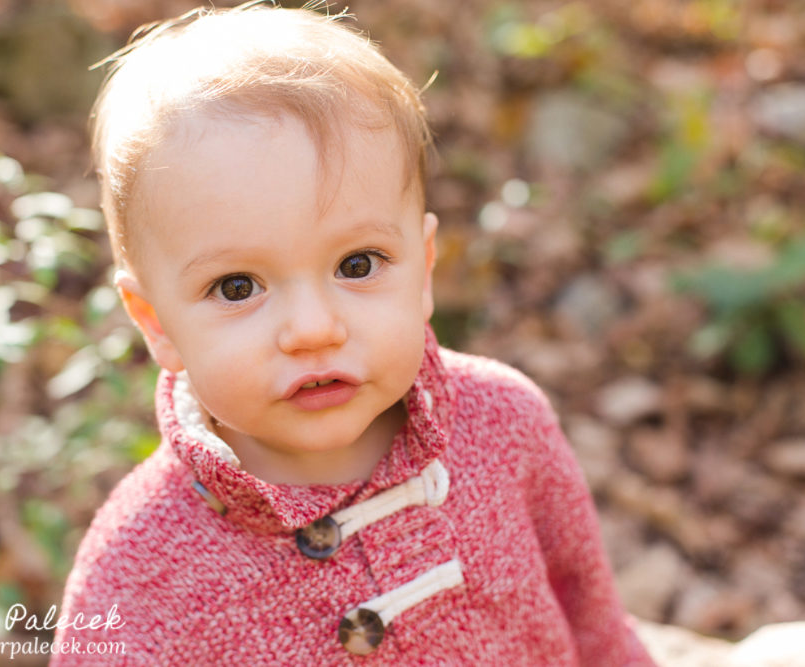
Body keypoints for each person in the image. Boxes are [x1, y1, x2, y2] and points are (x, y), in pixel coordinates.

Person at [52, 4, 655, 665]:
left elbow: (598, 626)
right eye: (236, 287)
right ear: (156, 322)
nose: (313, 329)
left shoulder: (506, 427)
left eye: (357, 265)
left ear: (423, 269)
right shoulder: (138, 565)